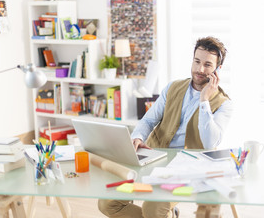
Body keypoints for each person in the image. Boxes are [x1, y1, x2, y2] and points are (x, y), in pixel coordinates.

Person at [98, 36, 233, 218]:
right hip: (154, 157)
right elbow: (148, 120)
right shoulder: (172, 87)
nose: (200, 69)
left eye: (208, 65)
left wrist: (204, 101)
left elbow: (209, 143)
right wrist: (138, 137)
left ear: (218, 69)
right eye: (197, 61)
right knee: (107, 202)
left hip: (187, 167)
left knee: (152, 210)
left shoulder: (224, 104)